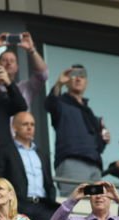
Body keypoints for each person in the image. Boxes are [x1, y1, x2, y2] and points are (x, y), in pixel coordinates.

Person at [0, 111, 57, 220]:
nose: (30, 127)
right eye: (25, 124)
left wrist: (50, 202)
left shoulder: (42, 154)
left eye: (32, 124)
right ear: (14, 127)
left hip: (43, 207)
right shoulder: (4, 150)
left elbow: (49, 182)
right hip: (19, 205)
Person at [45, 64, 107, 192]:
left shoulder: (89, 112)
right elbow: (50, 104)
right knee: (75, 206)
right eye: (74, 75)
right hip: (72, 161)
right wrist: (58, 84)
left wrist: (103, 139)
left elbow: (98, 147)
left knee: (96, 209)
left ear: (86, 82)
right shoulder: (62, 103)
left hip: (95, 165)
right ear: (67, 81)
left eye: (82, 76)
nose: (78, 79)